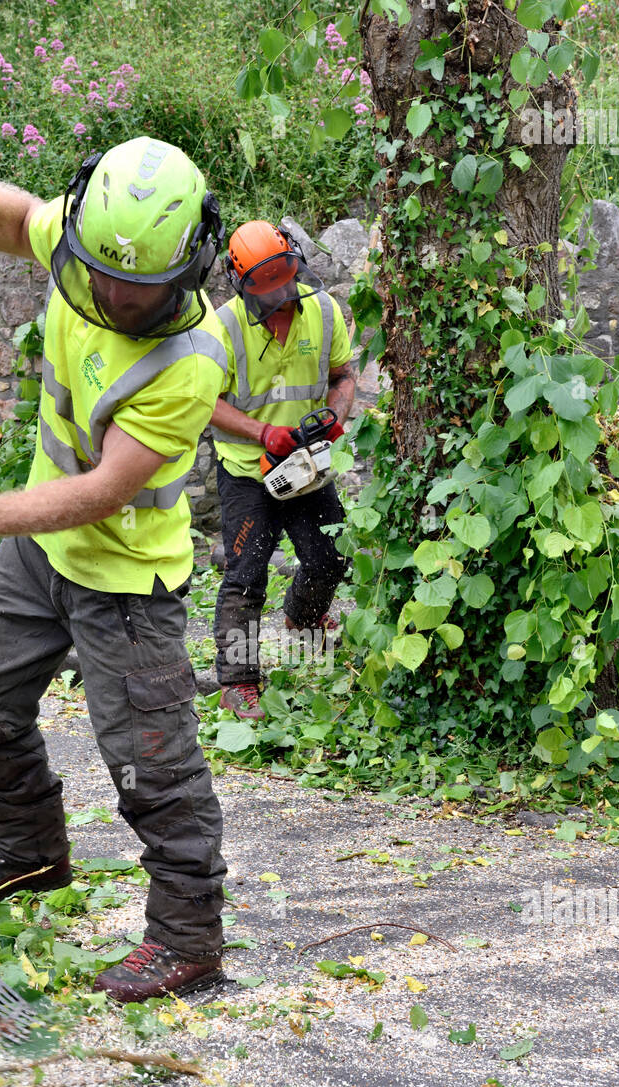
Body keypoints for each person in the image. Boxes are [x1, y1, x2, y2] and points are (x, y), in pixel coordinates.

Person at [0, 130, 229, 1003]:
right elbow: (16, 222)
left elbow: (101, 493)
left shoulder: (189, 362)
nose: (113, 295)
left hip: (124, 583)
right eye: (100, 272)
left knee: (148, 765)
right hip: (38, 555)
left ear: (186, 267)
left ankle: (188, 941)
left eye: (139, 285)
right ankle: (31, 852)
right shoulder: (82, 246)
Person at [210, 221, 356, 719]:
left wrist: (336, 414)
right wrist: (259, 432)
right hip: (247, 469)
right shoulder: (222, 328)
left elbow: (343, 376)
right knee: (246, 574)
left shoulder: (324, 313)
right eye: (265, 288)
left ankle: (304, 617)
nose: (279, 296)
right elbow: (202, 401)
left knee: (330, 557)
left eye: (284, 281)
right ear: (242, 282)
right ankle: (237, 680)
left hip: (305, 464)